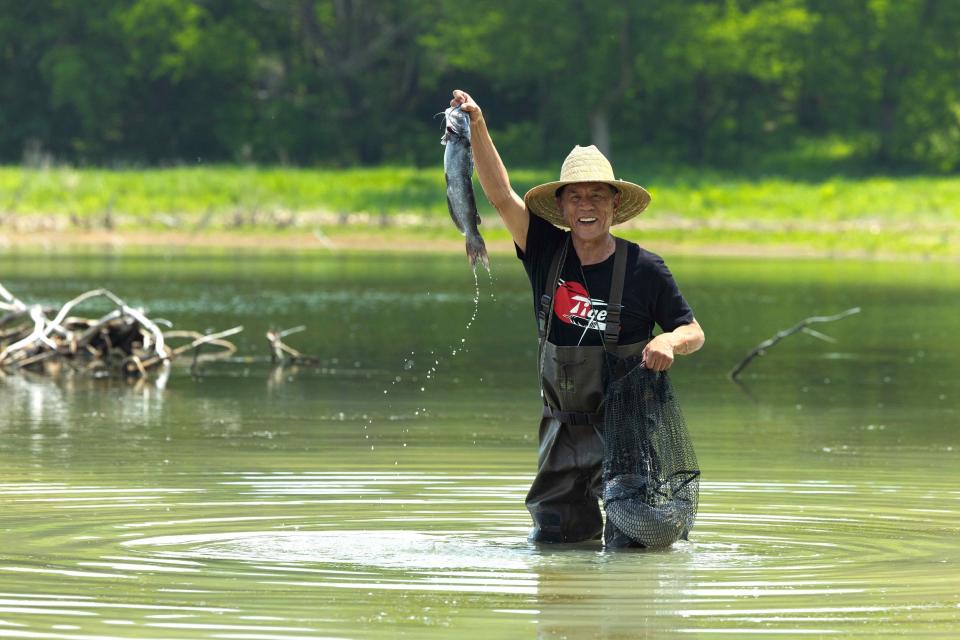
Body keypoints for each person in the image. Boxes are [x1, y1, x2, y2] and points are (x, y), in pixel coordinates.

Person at [450, 89, 705, 548]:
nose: (586, 206)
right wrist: (478, 127)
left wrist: (670, 342)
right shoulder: (545, 249)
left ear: (613, 206)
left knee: (634, 548)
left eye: (597, 197)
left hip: (628, 432)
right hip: (561, 433)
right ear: (563, 208)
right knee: (555, 547)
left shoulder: (646, 269)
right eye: (576, 198)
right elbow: (500, 195)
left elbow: (694, 331)